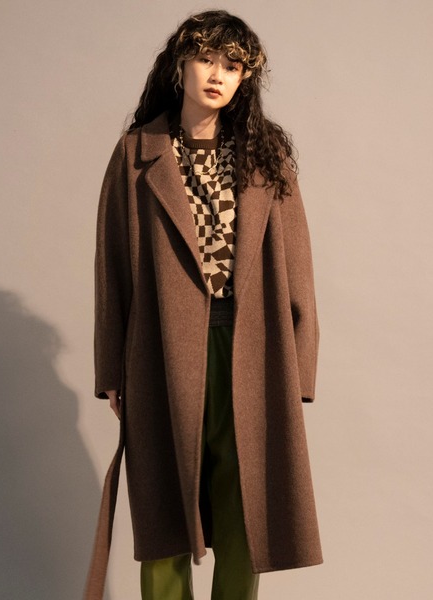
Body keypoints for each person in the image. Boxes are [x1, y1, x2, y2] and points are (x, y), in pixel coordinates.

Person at [84, 9, 322, 600]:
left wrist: (299, 367)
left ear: (245, 78)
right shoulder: (136, 154)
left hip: (251, 349)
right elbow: (112, 269)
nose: (217, 75)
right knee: (163, 504)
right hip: (161, 349)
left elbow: (298, 270)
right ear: (180, 65)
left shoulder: (266, 158)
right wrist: (111, 369)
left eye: (232, 66)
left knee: (245, 504)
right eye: (206, 59)